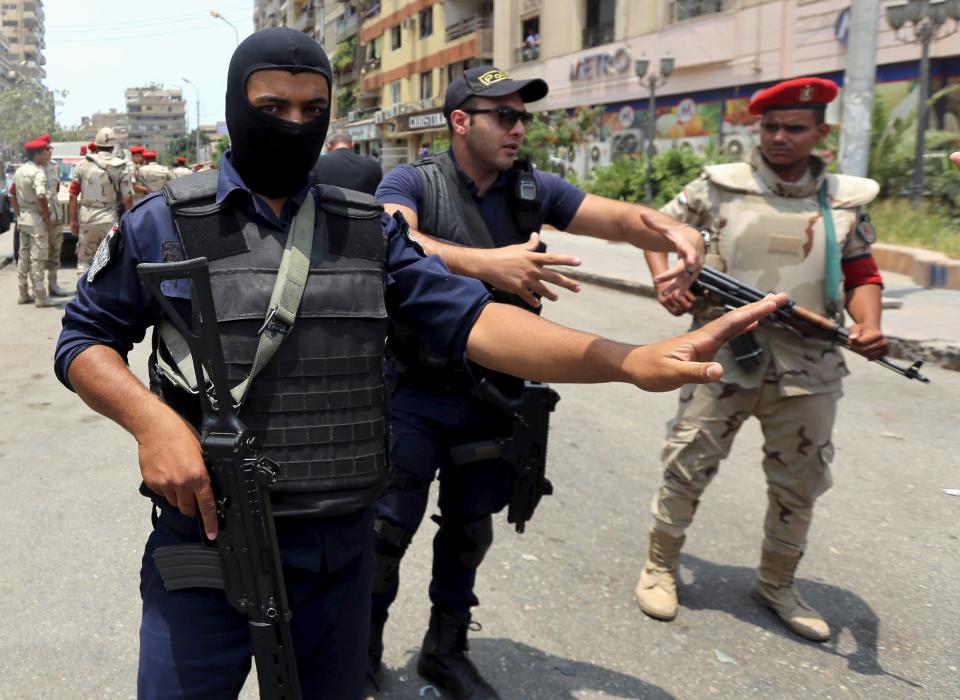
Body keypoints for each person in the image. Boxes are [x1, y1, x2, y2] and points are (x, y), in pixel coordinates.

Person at [54, 29, 784, 700]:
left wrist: (630, 361)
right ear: (235, 105)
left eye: (313, 107)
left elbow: (476, 321)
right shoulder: (166, 222)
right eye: (272, 105)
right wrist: (151, 421)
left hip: (337, 550)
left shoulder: (363, 227)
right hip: (206, 542)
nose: (293, 122)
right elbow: (83, 338)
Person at [369, 65, 712, 697]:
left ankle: (445, 650)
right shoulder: (412, 180)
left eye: (524, 116)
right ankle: (363, 653)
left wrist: (669, 228)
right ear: (461, 121)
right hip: (413, 389)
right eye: (504, 115)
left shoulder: (531, 188)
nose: (518, 127)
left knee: (470, 529)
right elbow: (395, 237)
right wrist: (485, 262)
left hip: (495, 390)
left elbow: (617, 219)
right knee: (385, 532)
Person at [634, 77, 889, 643]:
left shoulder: (844, 200)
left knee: (800, 482)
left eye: (794, 127)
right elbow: (652, 228)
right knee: (688, 461)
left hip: (810, 363)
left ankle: (777, 582)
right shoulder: (719, 187)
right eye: (769, 126)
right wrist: (666, 283)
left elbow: (862, 272)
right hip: (718, 354)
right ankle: (659, 566)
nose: (778, 137)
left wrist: (869, 325)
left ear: (821, 132)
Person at [68, 128, 133, 276]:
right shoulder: (121, 166)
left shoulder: (82, 165)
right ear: (114, 146)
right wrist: (129, 221)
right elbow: (127, 198)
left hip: (87, 218)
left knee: (84, 261)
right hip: (110, 219)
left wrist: (73, 221)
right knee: (110, 260)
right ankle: (107, 296)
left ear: (96, 145)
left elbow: (72, 194)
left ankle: (83, 294)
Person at [13, 136, 58, 306]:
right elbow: (41, 195)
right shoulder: (38, 172)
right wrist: (46, 215)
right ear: (37, 155)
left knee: (23, 256)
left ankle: (23, 292)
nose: (47, 155)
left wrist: (19, 213)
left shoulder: (19, 171)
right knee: (38, 258)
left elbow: (12, 194)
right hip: (36, 219)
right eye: (44, 152)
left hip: (23, 218)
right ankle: (40, 296)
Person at [37, 133, 71, 296]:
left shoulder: (53, 166)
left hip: (56, 216)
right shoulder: (32, 169)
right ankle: (37, 287)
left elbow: (56, 189)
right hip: (40, 218)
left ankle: (53, 284)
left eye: (50, 148)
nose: (49, 151)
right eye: (46, 148)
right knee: (39, 254)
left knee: (55, 251)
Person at [309, 129, 382, 195]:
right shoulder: (373, 165)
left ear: (328, 146)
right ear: (352, 144)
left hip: (328, 209)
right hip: (365, 209)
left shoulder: (316, 164)